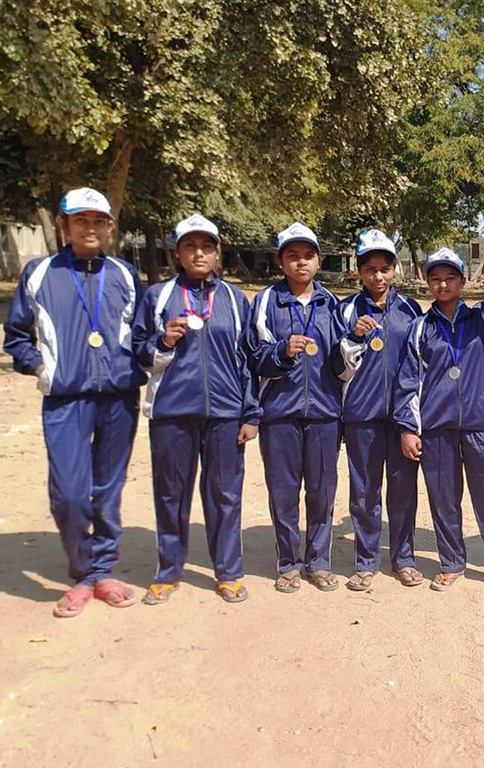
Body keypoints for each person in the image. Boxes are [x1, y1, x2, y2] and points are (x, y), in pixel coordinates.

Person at [3, 188, 146, 617]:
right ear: (62, 224)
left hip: (119, 398)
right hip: (65, 399)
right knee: (68, 493)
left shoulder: (123, 274)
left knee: (108, 490)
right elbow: (16, 336)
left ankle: (100, 573)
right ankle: (82, 570)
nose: (90, 227)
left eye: (98, 220)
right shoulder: (40, 273)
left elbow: (141, 334)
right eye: (80, 220)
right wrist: (40, 368)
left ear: (110, 226)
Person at [393, 246, 484, 592]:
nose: (443, 284)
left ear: (462, 281)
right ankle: (451, 563)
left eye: (450, 277)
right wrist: (408, 428)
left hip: (481, 422)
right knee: (443, 498)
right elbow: (408, 381)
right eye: (435, 278)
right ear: (427, 282)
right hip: (436, 427)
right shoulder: (420, 328)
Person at [132, 214, 259, 605]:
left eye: (206, 246)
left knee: (225, 495)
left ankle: (228, 572)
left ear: (217, 252)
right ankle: (168, 571)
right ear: (177, 252)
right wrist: (163, 341)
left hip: (225, 414)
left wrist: (250, 413)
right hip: (172, 412)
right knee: (171, 494)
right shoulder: (157, 296)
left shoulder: (235, 300)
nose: (199, 253)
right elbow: (139, 353)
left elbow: (248, 360)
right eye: (190, 246)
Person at [244, 222, 347, 594]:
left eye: (307, 255)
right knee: (283, 492)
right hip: (280, 413)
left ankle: (318, 562)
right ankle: (288, 563)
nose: (301, 262)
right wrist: (282, 352)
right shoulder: (266, 302)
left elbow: (343, 363)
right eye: (292, 256)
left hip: (324, 413)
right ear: (281, 262)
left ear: (318, 260)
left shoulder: (333, 305)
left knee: (322, 492)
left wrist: (354, 345)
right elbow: (252, 356)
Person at [337, 229, 424, 590]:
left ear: (395, 269)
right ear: (359, 271)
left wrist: (412, 421)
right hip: (361, 417)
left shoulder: (410, 310)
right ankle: (366, 562)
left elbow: (419, 366)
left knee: (403, 491)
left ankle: (403, 559)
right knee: (364, 492)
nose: (377, 276)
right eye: (370, 269)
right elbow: (335, 368)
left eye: (384, 268)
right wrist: (354, 336)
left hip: (401, 419)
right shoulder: (345, 310)